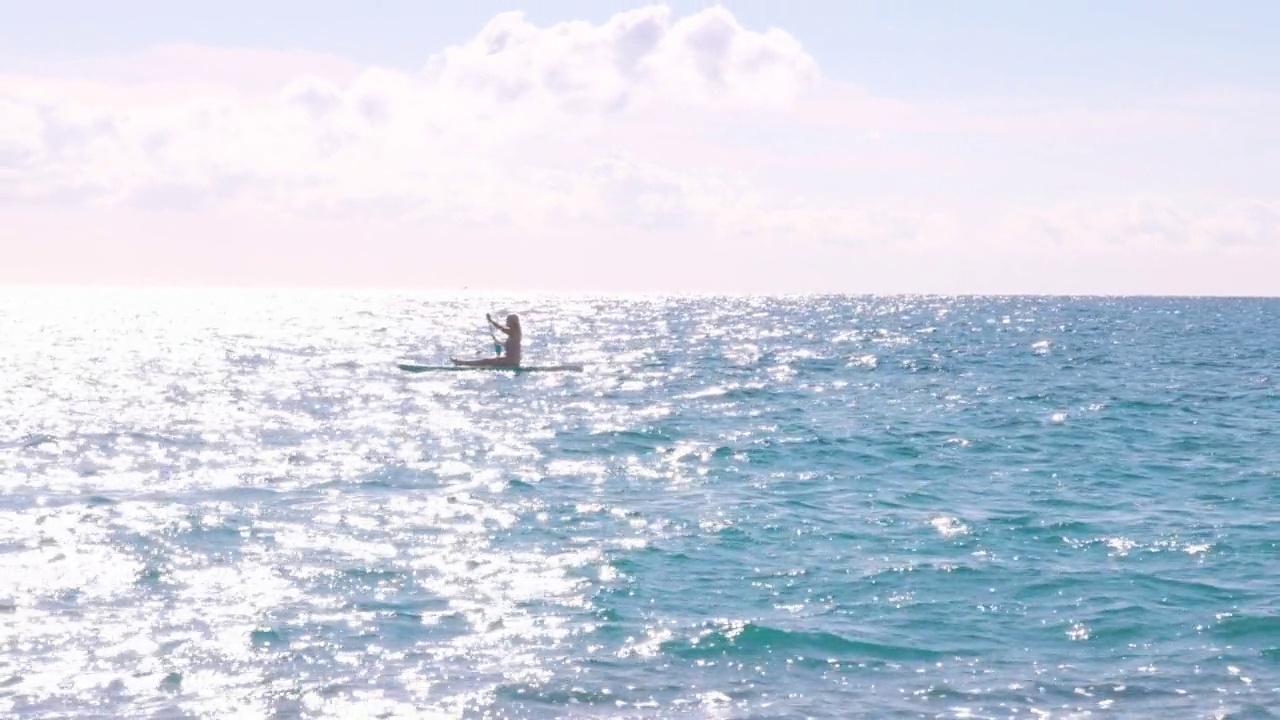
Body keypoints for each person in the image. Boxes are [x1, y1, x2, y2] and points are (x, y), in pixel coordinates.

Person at [452, 313, 522, 367]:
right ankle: (464, 363)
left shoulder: (514, 332)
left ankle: (463, 364)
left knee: (485, 361)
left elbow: (501, 328)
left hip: (510, 361)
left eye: (508, 321)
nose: (506, 322)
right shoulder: (514, 334)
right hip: (511, 360)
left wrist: (491, 321)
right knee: (487, 361)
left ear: (512, 322)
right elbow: (509, 346)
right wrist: (497, 341)